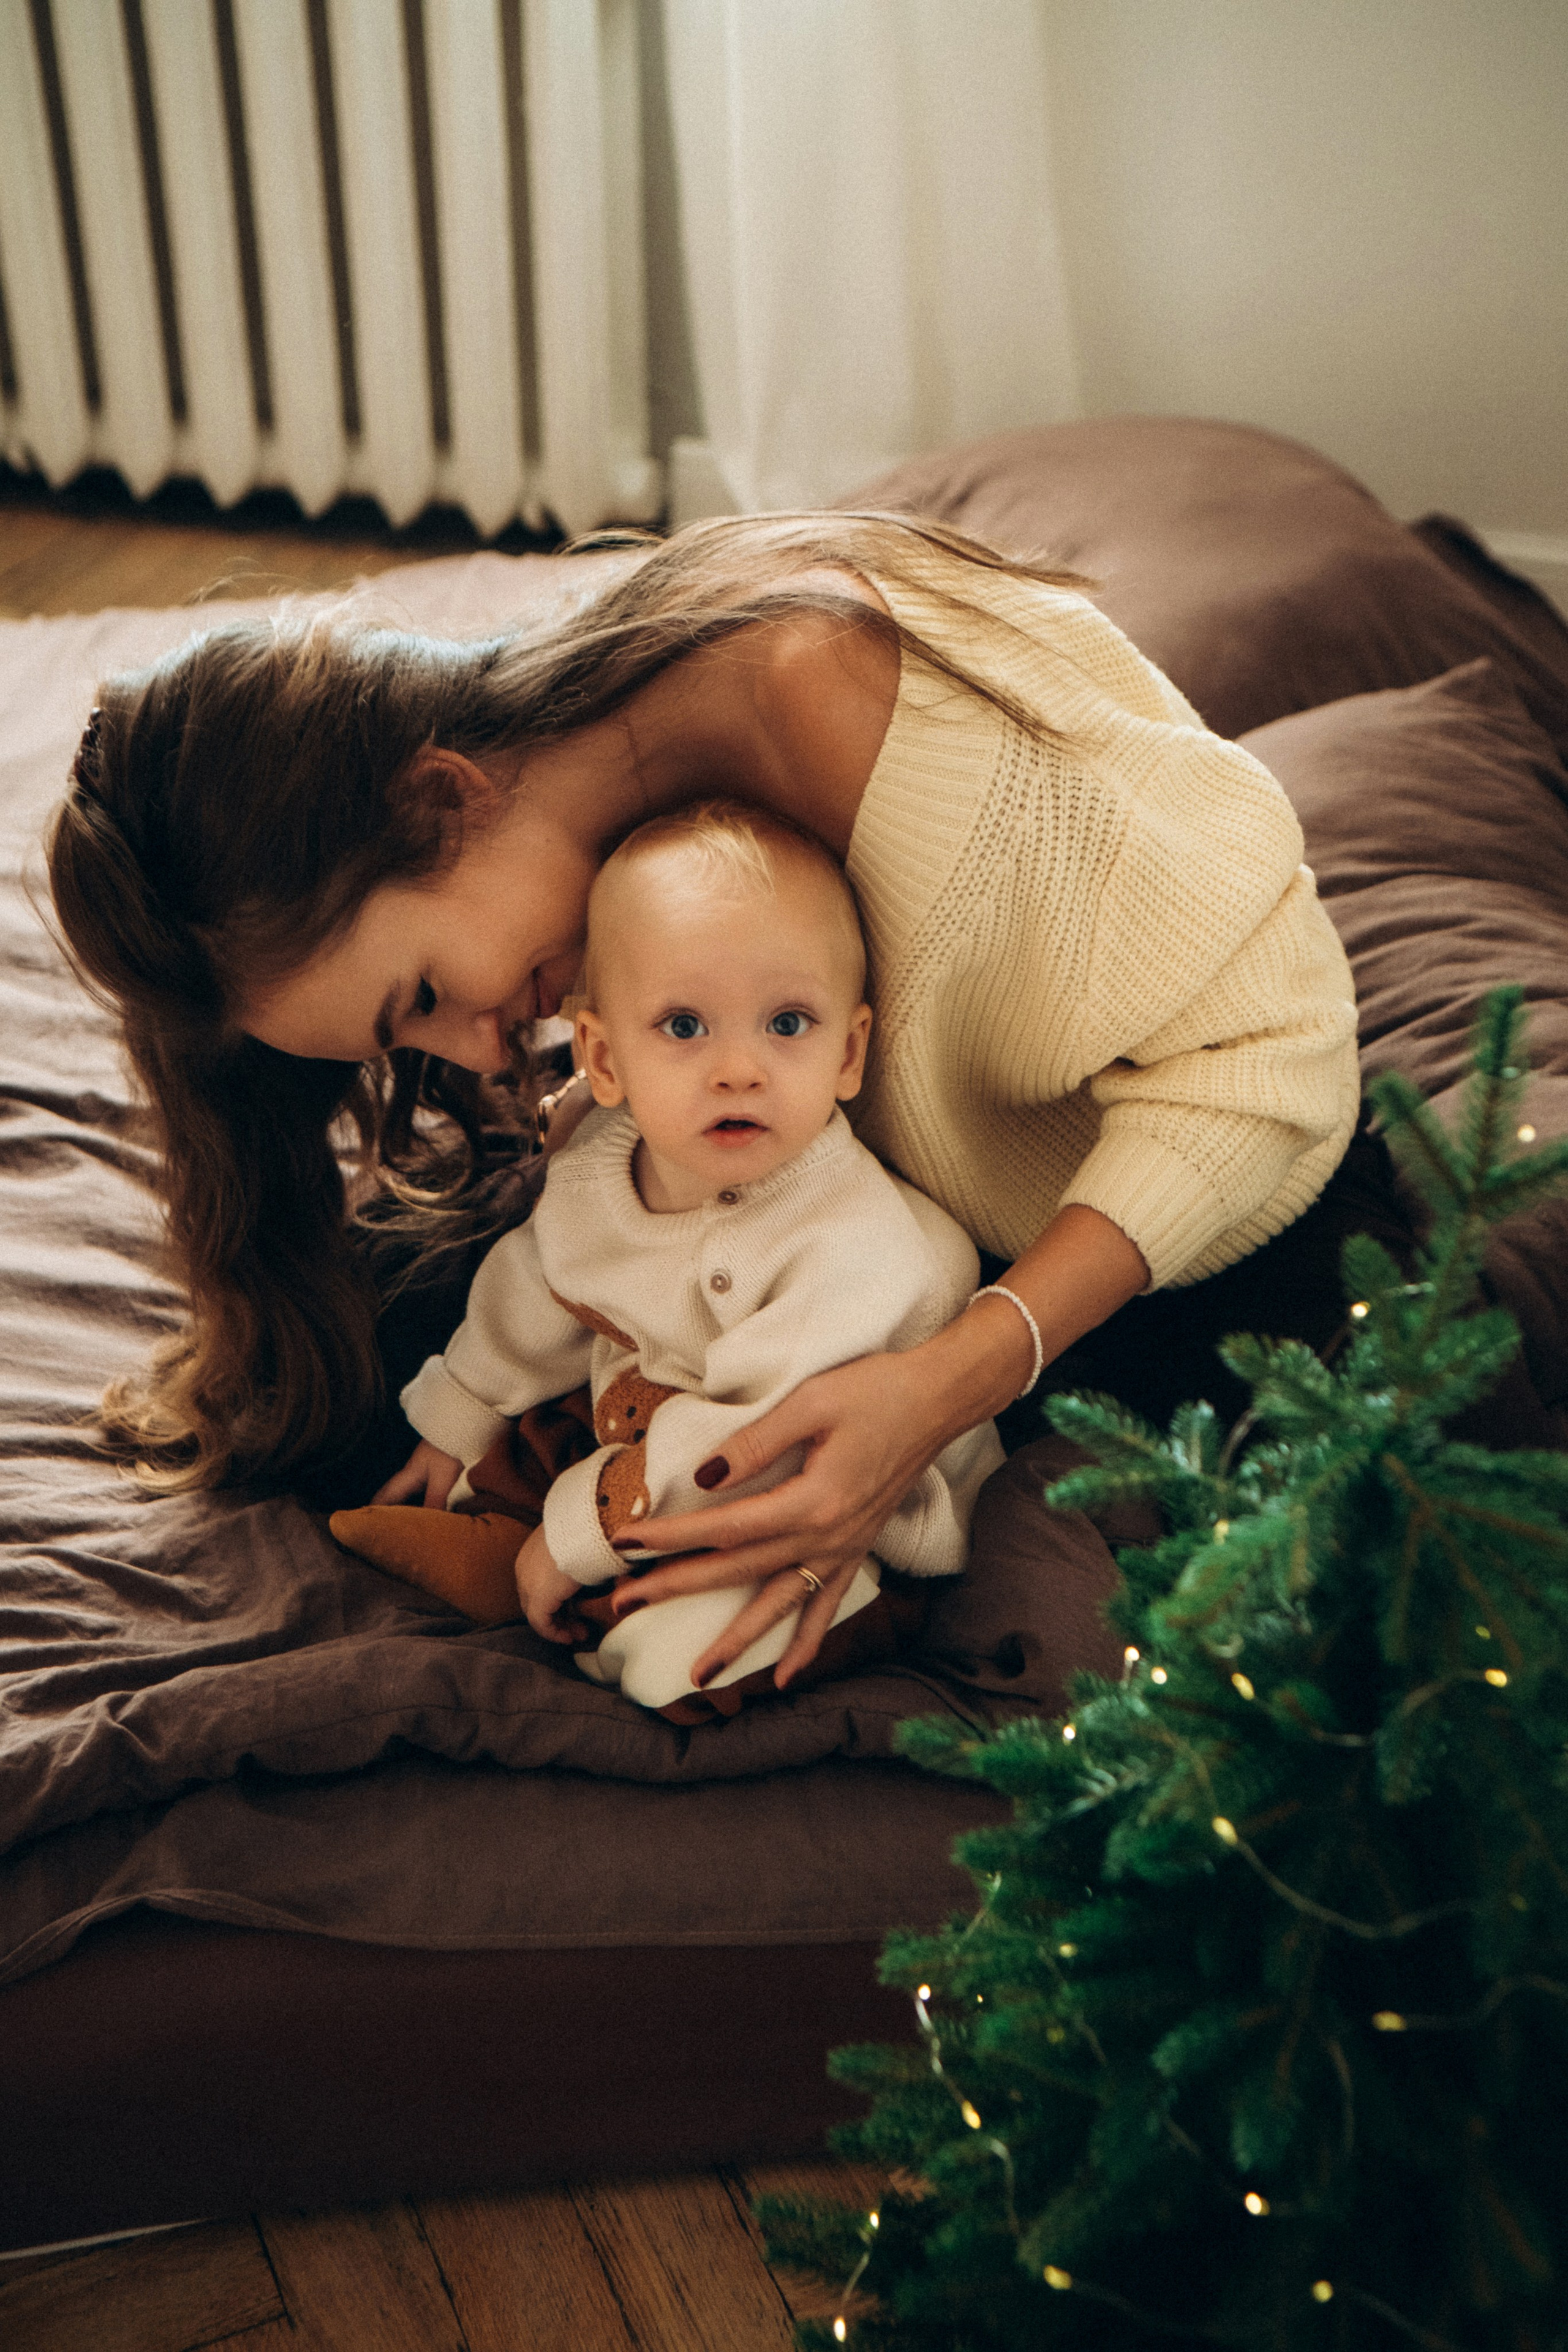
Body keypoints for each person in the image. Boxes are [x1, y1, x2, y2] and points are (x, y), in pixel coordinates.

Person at [46, 511, 1360, 1692]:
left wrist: (941, 1387)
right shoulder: (601, 771)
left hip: (1157, 1244)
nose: (481, 1054)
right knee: (342, 1405)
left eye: (432, 994)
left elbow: (1273, 1065)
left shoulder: (827, 701)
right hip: (829, 1203)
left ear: (440, 796)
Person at [338, 799, 1002, 1715]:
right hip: (652, 1432)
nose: (740, 1068)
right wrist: (460, 1412)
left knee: (687, 1648)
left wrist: (578, 1531)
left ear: (851, 1055)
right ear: (603, 1061)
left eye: (789, 1024)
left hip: (826, 1499)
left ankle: (647, 1602)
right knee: (494, 1440)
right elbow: (536, 1288)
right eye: (685, 1028)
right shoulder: (594, 1173)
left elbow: (756, 1441)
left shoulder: (855, 1241)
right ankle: (499, 1538)